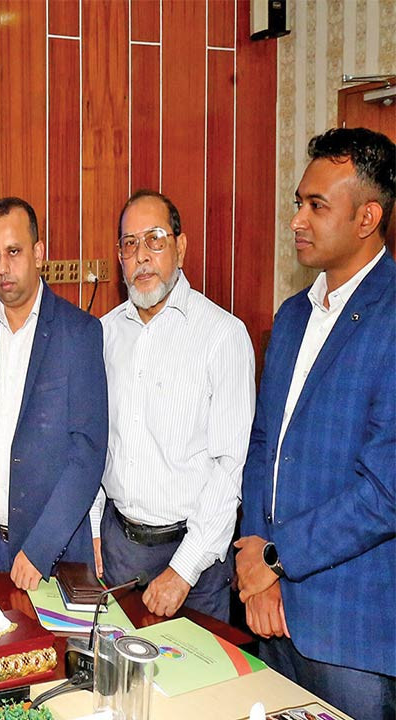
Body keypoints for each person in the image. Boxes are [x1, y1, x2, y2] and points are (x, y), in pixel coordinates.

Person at [235, 127, 395, 720]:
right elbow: (263, 447)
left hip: (351, 633)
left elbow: (384, 493)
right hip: (271, 613)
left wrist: (276, 557)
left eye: (317, 206)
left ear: (367, 217)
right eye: (298, 202)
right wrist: (258, 568)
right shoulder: (292, 316)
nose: (297, 220)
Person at [90, 190, 255, 624]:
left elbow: (230, 466)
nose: (141, 256)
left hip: (195, 561)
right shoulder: (103, 334)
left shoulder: (223, 336)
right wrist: (92, 528)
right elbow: (93, 444)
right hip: (117, 550)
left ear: (180, 248)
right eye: (130, 244)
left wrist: (183, 570)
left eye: (155, 239)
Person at [0, 197, 107, 591]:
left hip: (52, 557)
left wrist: (40, 549)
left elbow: (87, 454)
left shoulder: (79, 333)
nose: (2, 267)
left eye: (13, 252)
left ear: (38, 253)